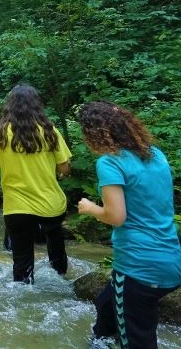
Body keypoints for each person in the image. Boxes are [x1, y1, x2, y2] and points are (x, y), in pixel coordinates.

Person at [77, 101, 181, 348]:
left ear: (93, 133)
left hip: (139, 267)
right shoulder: (155, 154)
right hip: (171, 259)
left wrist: (90, 208)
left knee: (136, 342)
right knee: (106, 305)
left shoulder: (110, 162)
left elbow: (116, 216)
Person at [0, 84, 71, 284]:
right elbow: (64, 168)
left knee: (22, 263)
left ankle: (25, 288)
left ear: (9, 105)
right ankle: (61, 278)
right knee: (55, 244)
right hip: (50, 204)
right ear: (36, 104)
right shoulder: (49, 130)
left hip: (17, 207)